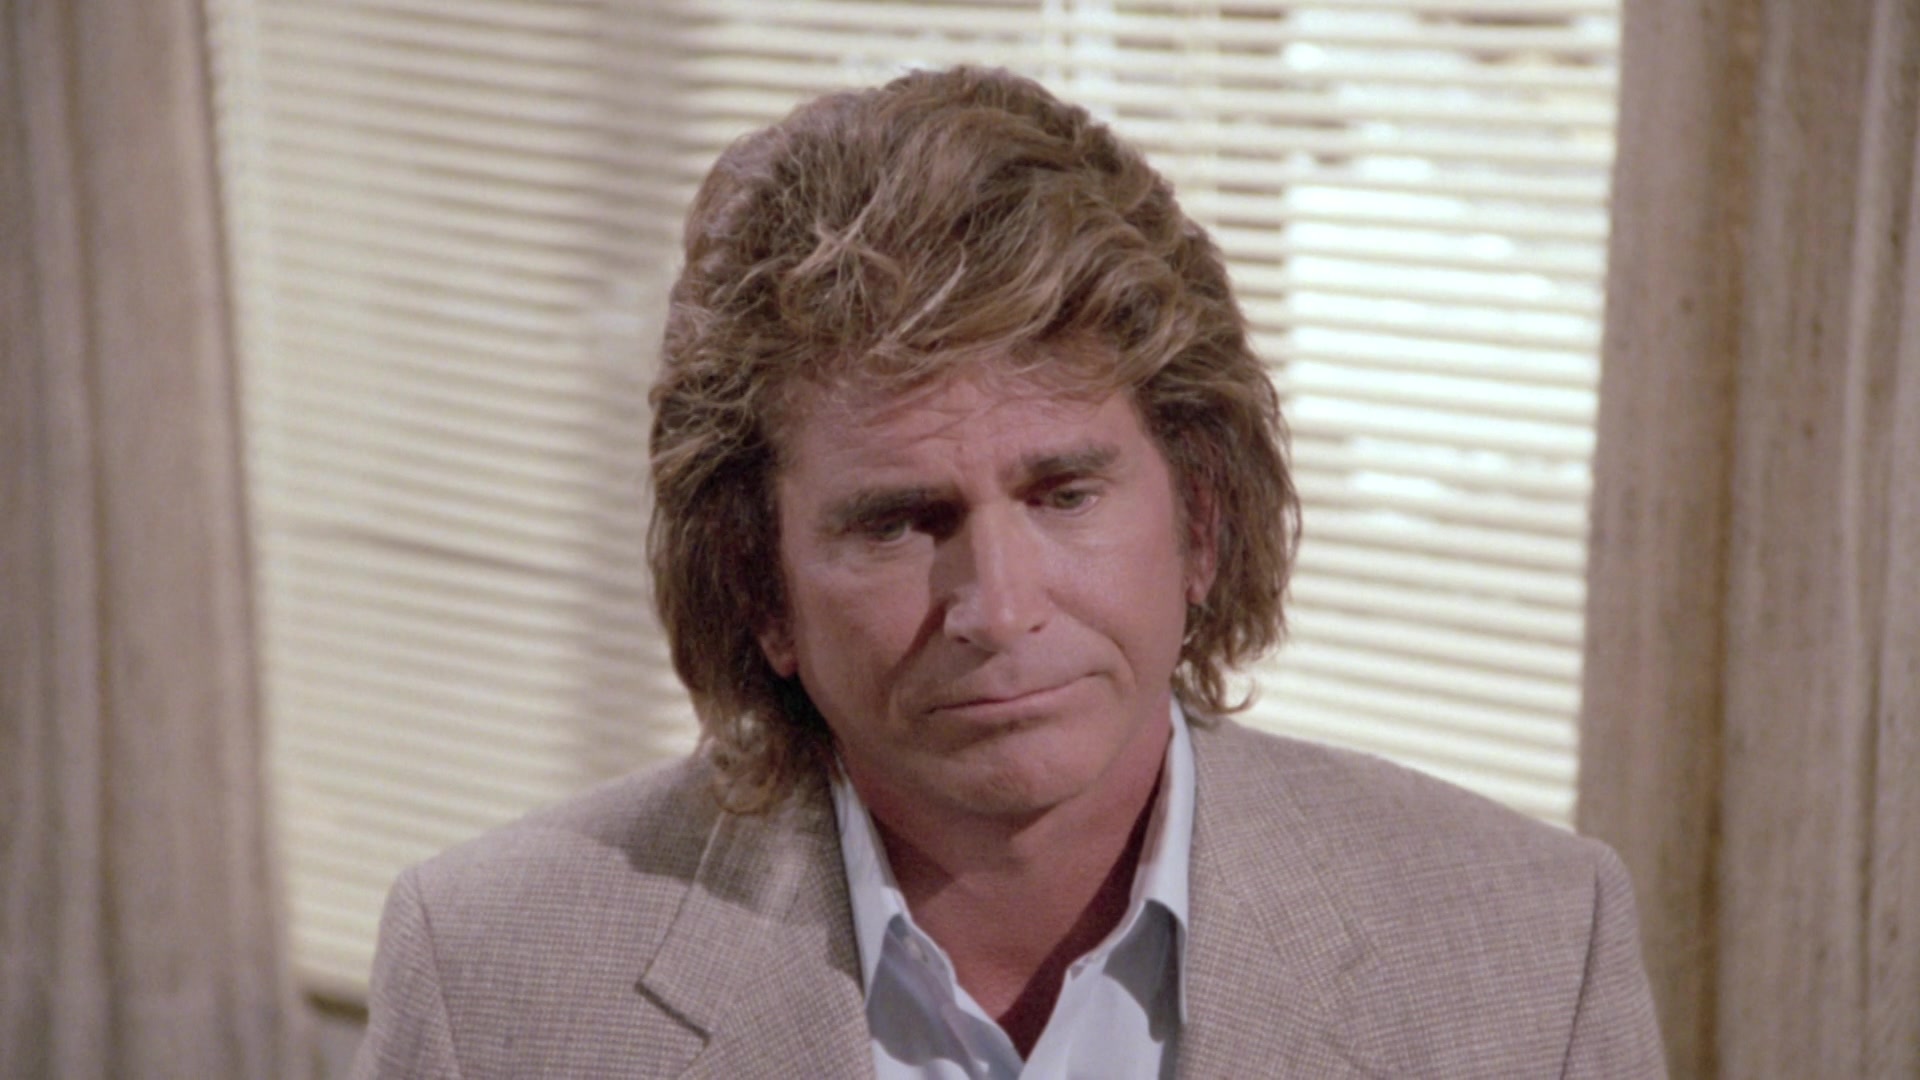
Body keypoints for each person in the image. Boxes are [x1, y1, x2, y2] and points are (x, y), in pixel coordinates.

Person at [351, 66, 1664, 1078]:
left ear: (1202, 522)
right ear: (760, 592)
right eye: (898, 523)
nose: (999, 608)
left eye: (1065, 496)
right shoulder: (494, 977)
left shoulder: (1531, 952)